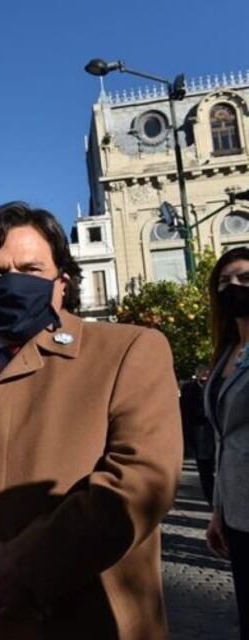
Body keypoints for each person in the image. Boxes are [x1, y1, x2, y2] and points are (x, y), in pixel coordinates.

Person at [0, 202, 181, 639]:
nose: (12, 281)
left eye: (30, 269)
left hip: (94, 615)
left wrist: (29, 565)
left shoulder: (130, 350)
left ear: (62, 282)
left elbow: (141, 476)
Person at [204, 246, 249, 638]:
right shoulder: (227, 352)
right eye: (223, 282)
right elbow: (224, 436)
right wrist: (219, 509)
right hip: (238, 513)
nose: (233, 287)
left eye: (244, 279)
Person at [180, 365, 214, 504]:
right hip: (198, 429)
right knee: (204, 466)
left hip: (213, 430)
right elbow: (185, 409)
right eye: (203, 374)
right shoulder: (189, 389)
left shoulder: (214, 385)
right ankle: (210, 497)